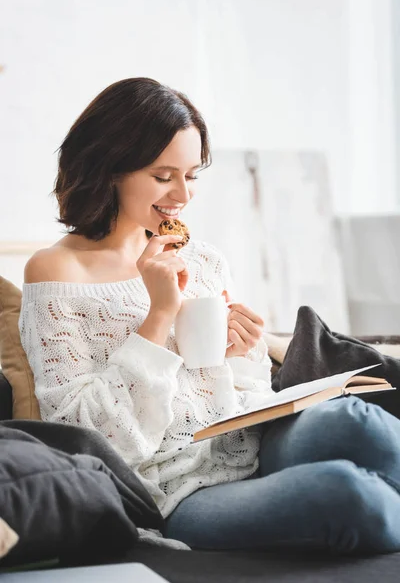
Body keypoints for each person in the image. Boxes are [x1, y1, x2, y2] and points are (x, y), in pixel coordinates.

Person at [20, 77, 400, 555]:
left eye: (193, 175)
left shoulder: (201, 259)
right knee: (348, 494)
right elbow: (88, 438)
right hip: (177, 491)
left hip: (250, 440)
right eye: (163, 176)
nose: (183, 194)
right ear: (110, 168)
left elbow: (240, 388)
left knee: (355, 420)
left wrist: (244, 353)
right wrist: (158, 316)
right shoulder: (57, 270)